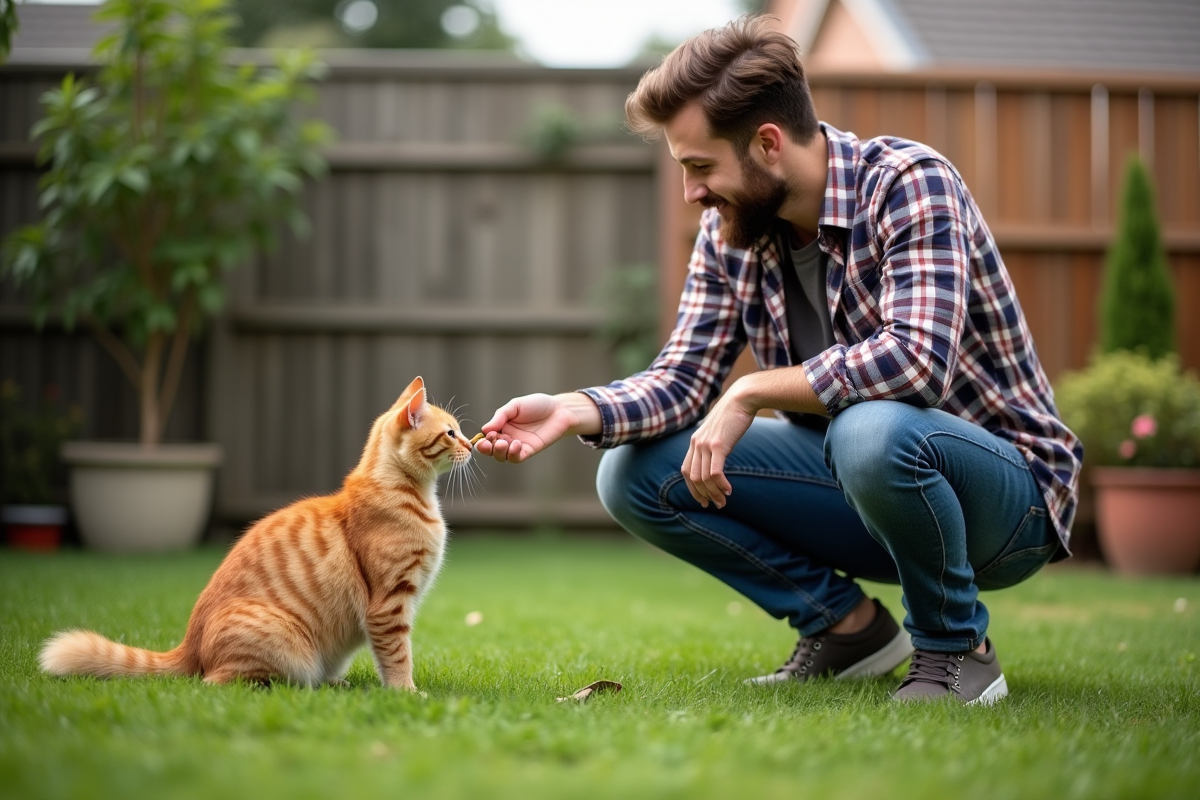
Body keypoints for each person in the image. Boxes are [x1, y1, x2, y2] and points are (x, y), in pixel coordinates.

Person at [476, 15, 1082, 705]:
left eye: (700, 167)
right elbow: (682, 379)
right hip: (864, 482)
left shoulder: (909, 182)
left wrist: (752, 392)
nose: (692, 193)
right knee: (635, 471)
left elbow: (916, 362)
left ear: (767, 144)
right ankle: (847, 629)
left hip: (1007, 505)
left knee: (870, 426)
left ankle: (956, 650)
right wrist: (575, 408)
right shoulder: (731, 231)